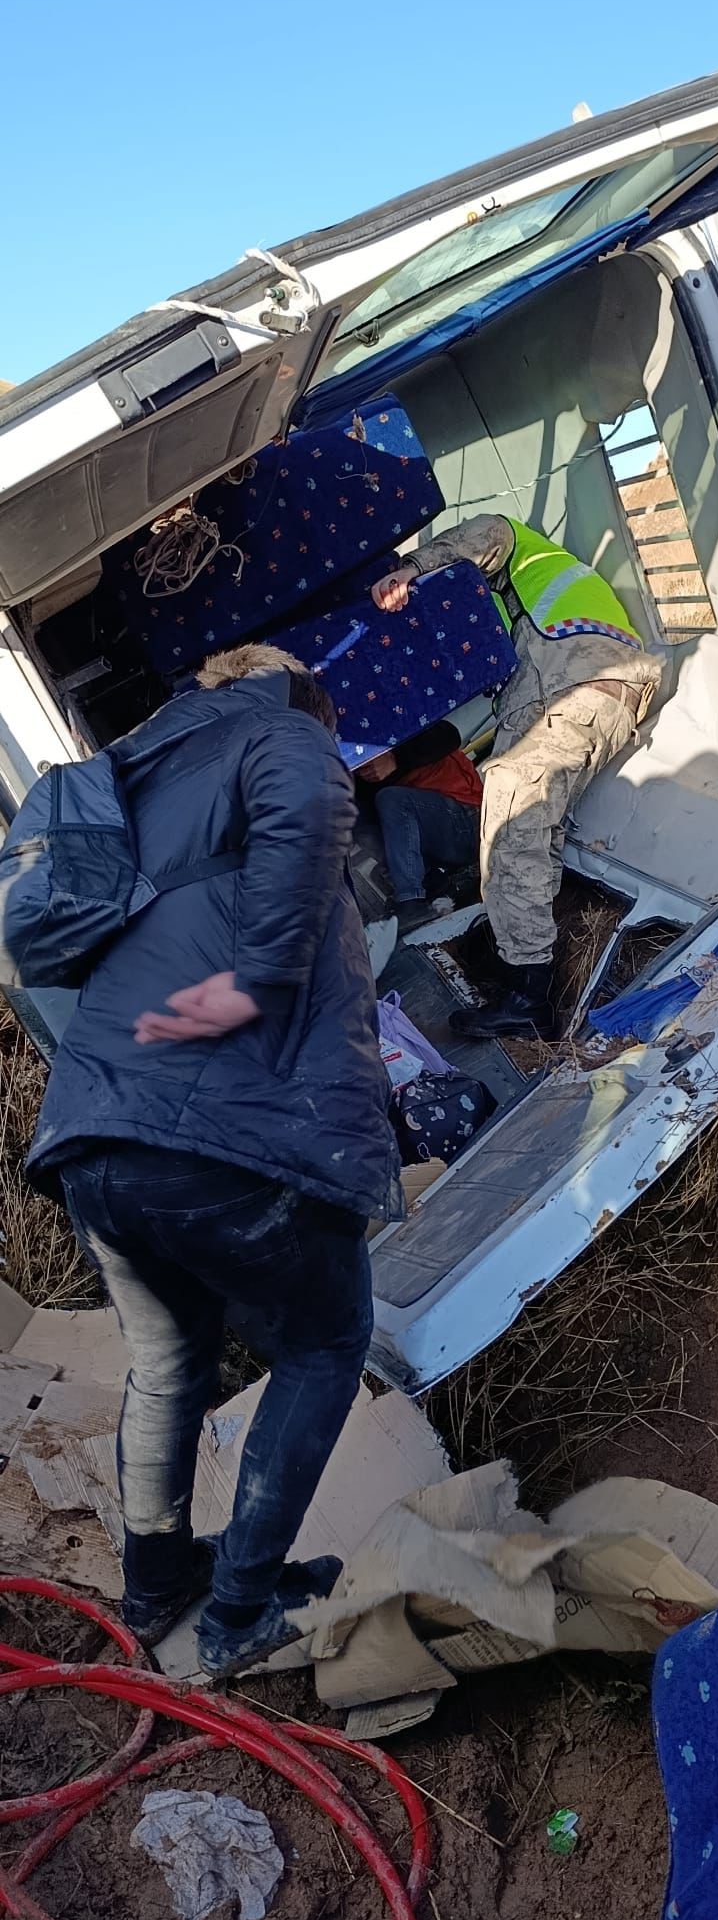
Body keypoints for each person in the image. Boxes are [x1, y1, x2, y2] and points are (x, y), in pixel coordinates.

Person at [27, 643, 402, 1680]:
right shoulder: (280, 731)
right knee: (325, 1342)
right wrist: (257, 980)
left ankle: (156, 1585)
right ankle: (240, 1608)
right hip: (222, 1129)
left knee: (167, 1363)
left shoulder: (134, 776)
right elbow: (309, 810)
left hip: (94, 1137)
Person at [372, 515, 662, 1037]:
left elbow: (487, 533)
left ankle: (527, 994)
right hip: (591, 692)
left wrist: (411, 568)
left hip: (574, 683)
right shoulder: (525, 607)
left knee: (513, 814)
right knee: (537, 833)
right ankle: (526, 969)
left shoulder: (519, 549)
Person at [358, 719, 482, 934]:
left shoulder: (391, 716)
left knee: (391, 800)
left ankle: (411, 901)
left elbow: (449, 735)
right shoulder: (345, 759)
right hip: (433, 845)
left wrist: (395, 758)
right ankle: (428, 886)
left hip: (467, 818)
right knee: (353, 818)